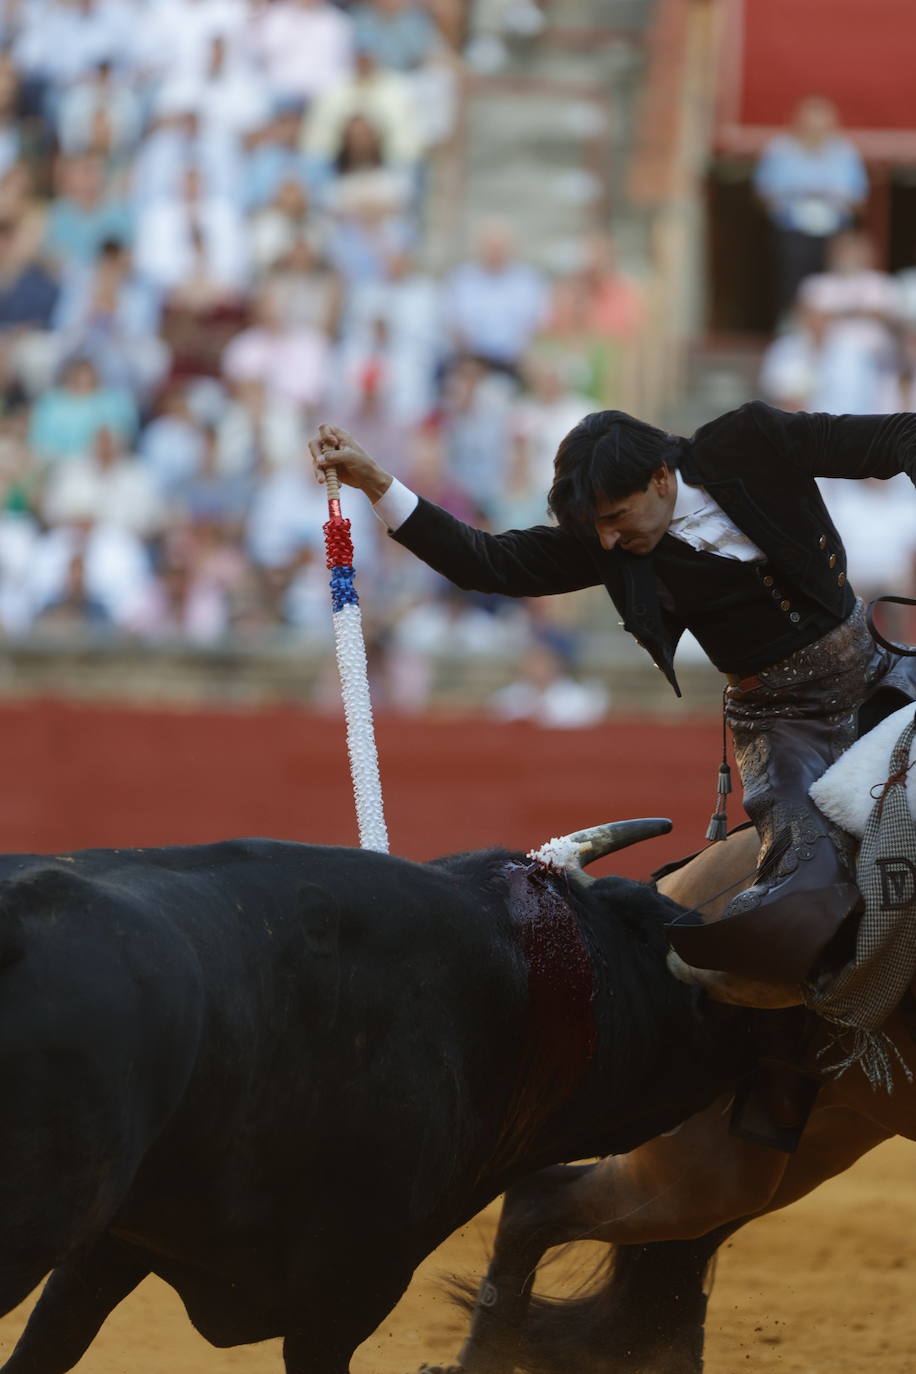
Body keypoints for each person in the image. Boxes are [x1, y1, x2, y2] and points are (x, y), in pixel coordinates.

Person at [310, 404, 916, 992]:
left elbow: (895, 439)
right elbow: (488, 562)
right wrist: (377, 483)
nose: (607, 539)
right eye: (595, 525)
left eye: (616, 516)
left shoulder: (752, 439)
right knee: (802, 898)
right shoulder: (603, 544)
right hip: (783, 725)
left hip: (878, 668)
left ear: (660, 478)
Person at [754, 95, 867, 323]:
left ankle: (832, 324)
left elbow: (859, 199)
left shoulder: (844, 152)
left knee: (834, 280)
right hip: (792, 230)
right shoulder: (780, 150)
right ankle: (792, 323)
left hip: (833, 230)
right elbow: (763, 193)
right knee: (791, 279)